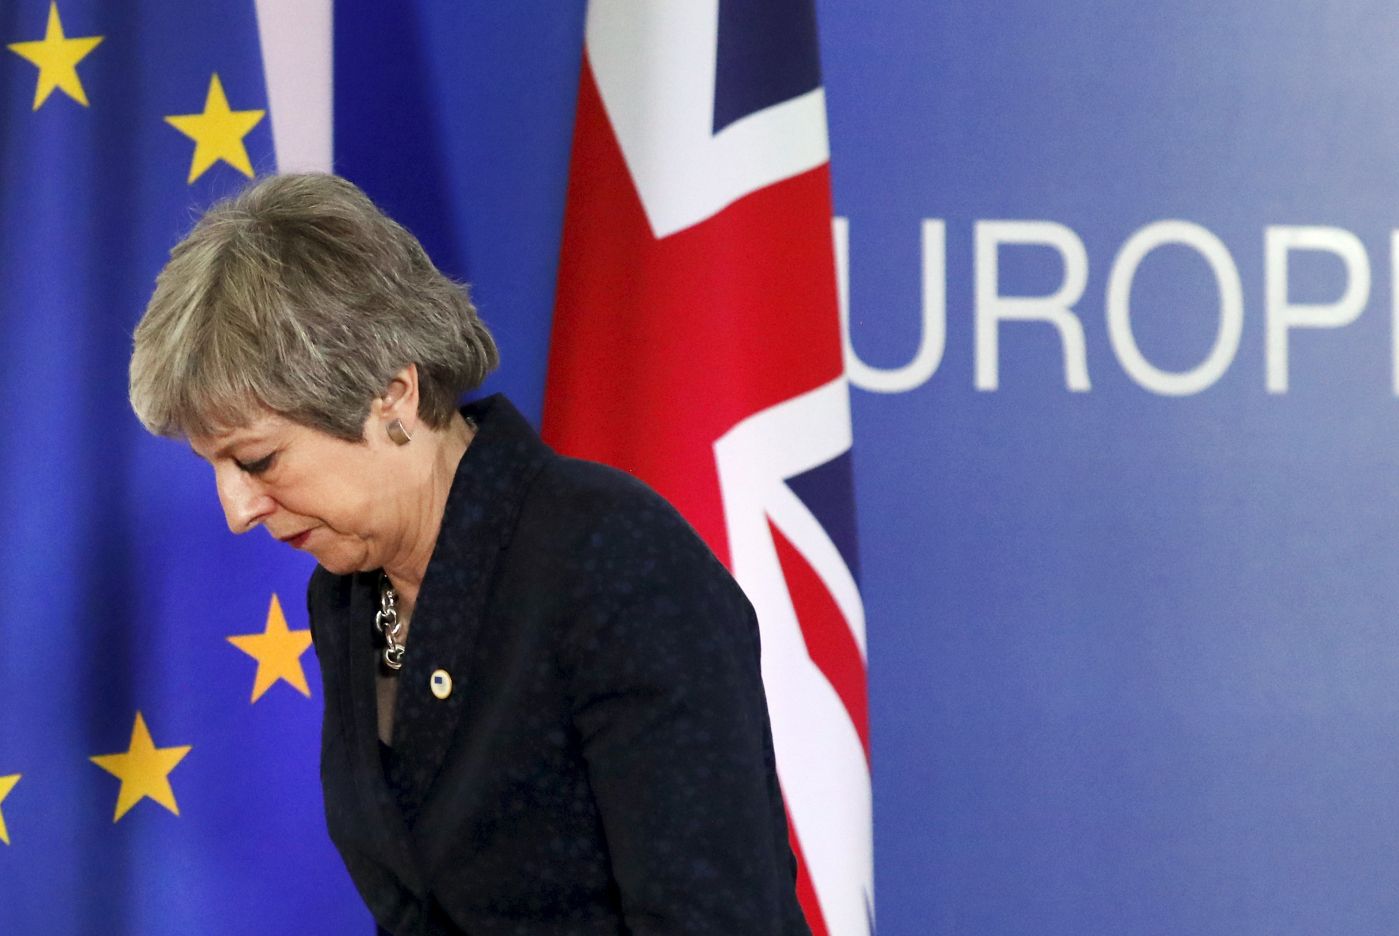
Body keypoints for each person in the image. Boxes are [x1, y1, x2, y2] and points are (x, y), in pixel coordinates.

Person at [128, 173, 811, 935]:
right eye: (212, 468)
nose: (238, 510)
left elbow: (713, 918)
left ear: (391, 396)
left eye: (256, 461)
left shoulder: (611, 561)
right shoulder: (352, 593)